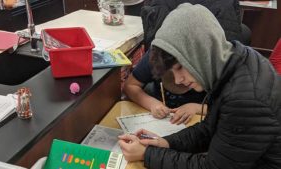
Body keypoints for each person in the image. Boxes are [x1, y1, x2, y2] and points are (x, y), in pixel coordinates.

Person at [119, 3, 281, 169]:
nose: (178, 80)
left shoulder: (246, 99)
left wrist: (147, 155)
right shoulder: (234, 61)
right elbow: (208, 129)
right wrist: (165, 143)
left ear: (200, 52)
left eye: (180, 67)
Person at [123, 50, 206, 124]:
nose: (177, 80)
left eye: (179, 68)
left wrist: (197, 108)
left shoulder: (211, 65)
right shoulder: (156, 57)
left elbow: (218, 107)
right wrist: (152, 104)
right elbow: (130, 85)